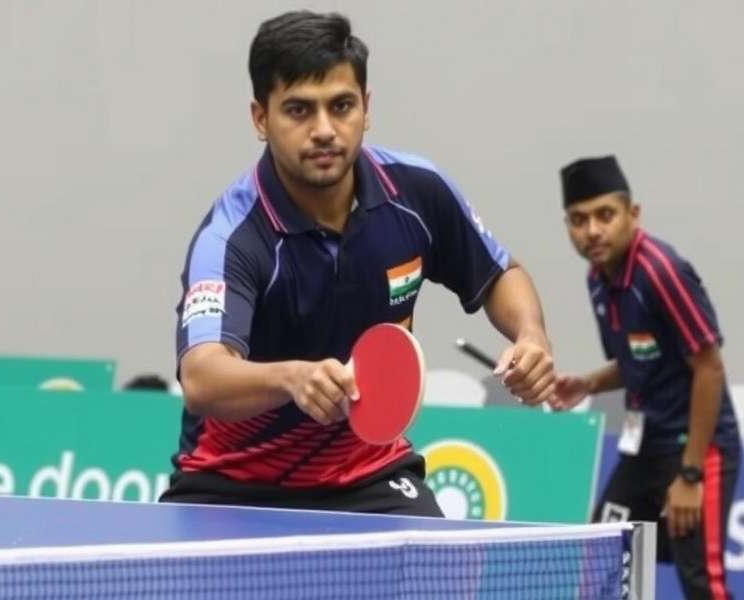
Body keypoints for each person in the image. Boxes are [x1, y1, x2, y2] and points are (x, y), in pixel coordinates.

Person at [159, 10, 555, 517]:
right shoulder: (234, 237)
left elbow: (500, 273)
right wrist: (291, 379)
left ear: (366, 108)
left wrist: (531, 336)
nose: (324, 130)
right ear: (261, 118)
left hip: (371, 475)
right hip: (232, 483)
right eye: (299, 111)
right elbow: (202, 377)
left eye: (341, 106)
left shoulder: (415, 192)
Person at [552, 155, 740, 599]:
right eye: (579, 220)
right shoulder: (598, 279)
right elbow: (640, 359)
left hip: (697, 450)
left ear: (632, 215)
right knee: (602, 554)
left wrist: (691, 475)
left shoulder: (660, 271)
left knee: (701, 585)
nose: (592, 230)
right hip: (644, 452)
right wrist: (589, 384)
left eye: (605, 215)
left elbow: (709, 367)